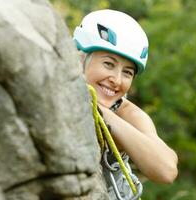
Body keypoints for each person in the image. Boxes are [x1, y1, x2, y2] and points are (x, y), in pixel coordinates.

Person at [73, 9, 178, 199]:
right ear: (81, 59)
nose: (117, 79)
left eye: (127, 73)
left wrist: (104, 114)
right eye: (108, 64)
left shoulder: (127, 114)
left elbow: (167, 170)